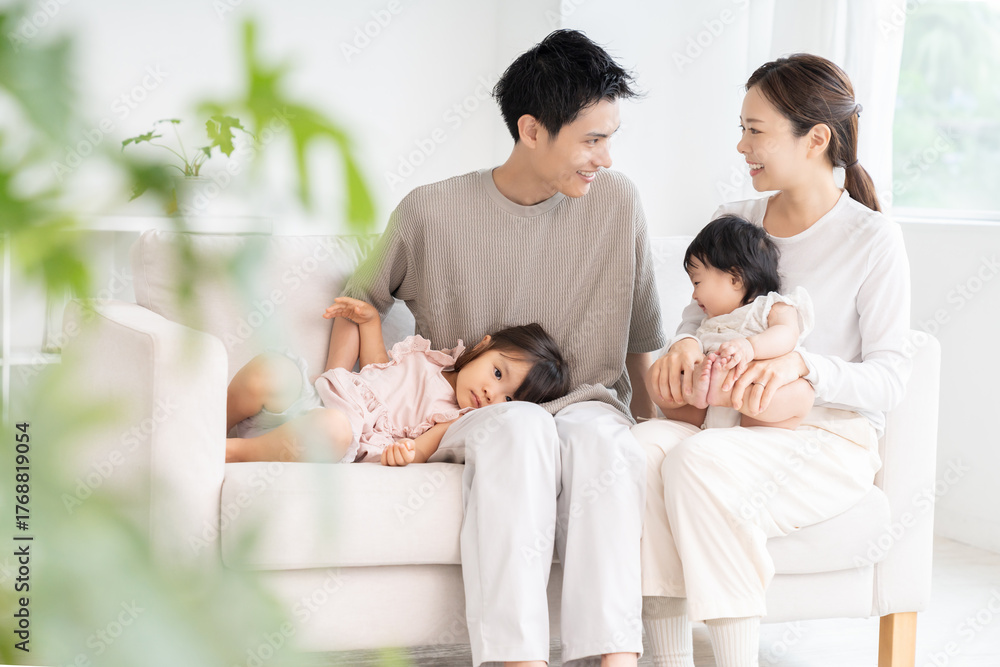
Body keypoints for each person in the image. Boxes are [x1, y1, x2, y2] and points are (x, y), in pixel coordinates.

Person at [327, 29, 663, 667]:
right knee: (519, 426)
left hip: (587, 402)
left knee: (604, 441)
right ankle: (516, 658)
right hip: (470, 413)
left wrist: (655, 423)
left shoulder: (619, 202)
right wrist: (338, 403)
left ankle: (615, 657)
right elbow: (359, 300)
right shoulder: (430, 210)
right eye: (592, 140)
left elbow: (642, 332)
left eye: (610, 138)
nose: (606, 158)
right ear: (532, 130)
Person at [637, 53, 912, 667]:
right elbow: (697, 320)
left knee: (700, 461)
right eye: (742, 128)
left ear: (816, 139)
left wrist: (804, 366)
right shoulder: (732, 221)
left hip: (825, 438)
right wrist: (683, 347)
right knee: (638, 450)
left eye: (755, 130)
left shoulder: (872, 239)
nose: (742, 146)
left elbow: (891, 378)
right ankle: (668, 658)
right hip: (729, 422)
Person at [225, 296, 570, 466]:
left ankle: (233, 452)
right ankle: (214, 423)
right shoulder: (428, 356)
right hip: (310, 400)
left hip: (337, 434)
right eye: (497, 373)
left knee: (333, 427)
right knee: (274, 369)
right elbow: (377, 369)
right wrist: (369, 322)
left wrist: (405, 454)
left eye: (508, 400)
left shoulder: (454, 418)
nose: (490, 393)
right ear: (483, 347)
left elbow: (421, 450)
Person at [651, 214, 815, 431]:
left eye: (697, 282)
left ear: (735, 279)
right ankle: (698, 392)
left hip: (754, 408)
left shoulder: (771, 306)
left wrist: (750, 347)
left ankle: (725, 394)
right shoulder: (707, 323)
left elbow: (787, 333)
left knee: (803, 393)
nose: (694, 295)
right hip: (702, 412)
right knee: (656, 373)